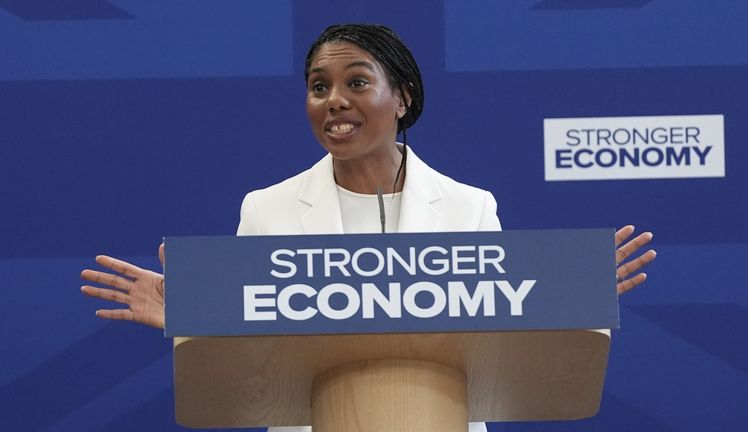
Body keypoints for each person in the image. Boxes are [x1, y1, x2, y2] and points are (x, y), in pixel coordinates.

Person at [81, 24, 656, 432]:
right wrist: (196, 314)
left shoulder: (470, 207)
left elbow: (494, 332)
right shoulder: (267, 209)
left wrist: (567, 296)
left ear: (401, 98)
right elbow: (253, 350)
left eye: (356, 82)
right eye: (318, 86)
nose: (334, 100)